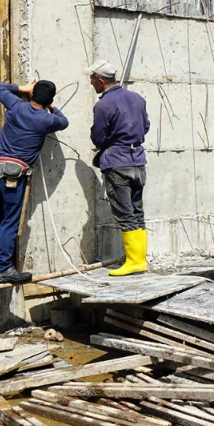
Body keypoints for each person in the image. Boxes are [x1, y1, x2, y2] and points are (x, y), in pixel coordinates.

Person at [0, 79, 68, 285]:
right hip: (13, 174)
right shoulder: (46, 120)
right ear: (50, 100)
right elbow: (64, 121)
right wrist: (52, 106)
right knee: (9, 221)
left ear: (31, 95)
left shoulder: (15, 106)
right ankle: (3, 268)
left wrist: (22, 88)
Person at [89, 61, 151, 276]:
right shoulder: (137, 98)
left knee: (125, 213)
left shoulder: (103, 105)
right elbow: (146, 126)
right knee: (137, 211)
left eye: (92, 80)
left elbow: (98, 136)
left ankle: (134, 262)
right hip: (138, 160)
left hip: (117, 162)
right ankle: (140, 260)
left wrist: (109, 144)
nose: (91, 83)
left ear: (101, 80)